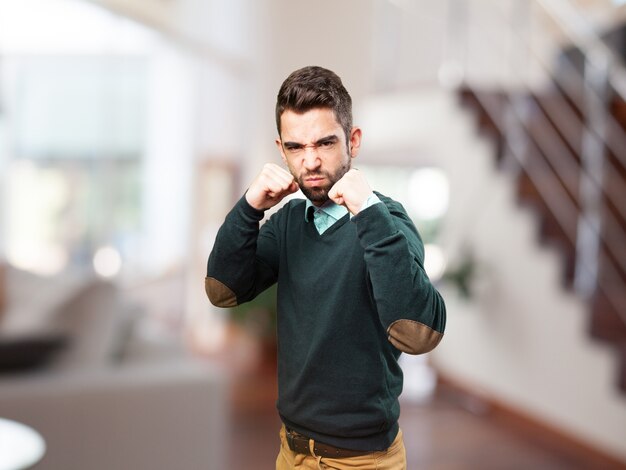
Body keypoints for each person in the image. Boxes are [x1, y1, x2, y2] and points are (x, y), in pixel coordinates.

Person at [205, 65, 446, 470]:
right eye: (297, 147)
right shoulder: (287, 223)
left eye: (325, 143)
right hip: (292, 451)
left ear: (353, 141)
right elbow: (221, 290)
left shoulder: (388, 220)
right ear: (281, 150)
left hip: (364, 461)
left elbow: (419, 334)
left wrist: (368, 212)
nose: (311, 160)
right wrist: (249, 207)